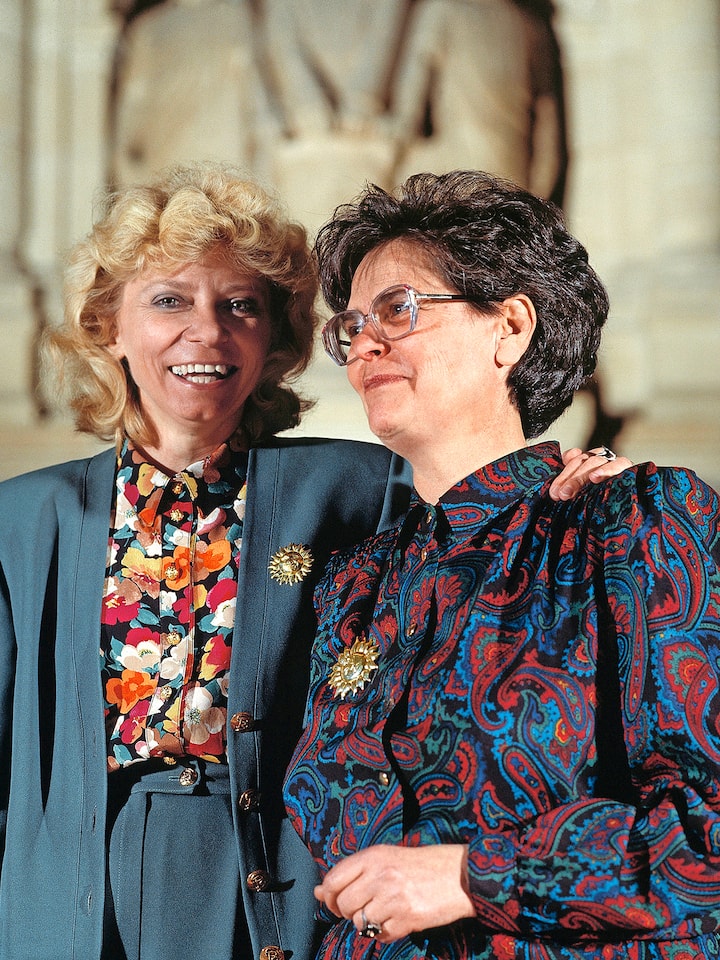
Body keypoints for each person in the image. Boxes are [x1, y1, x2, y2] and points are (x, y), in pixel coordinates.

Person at [0, 162, 624, 960]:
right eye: (168, 301)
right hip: (82, 892)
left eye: (241, 307)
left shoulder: (361, 482)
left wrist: (567, 485)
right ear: (109, 327)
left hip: (285, 881)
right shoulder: (22, 521)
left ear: (275, 340)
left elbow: (474, 530)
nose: (208, 332)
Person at [283, 170, 720, 959]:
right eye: (350, 326)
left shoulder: (629, 522)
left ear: (510, 327)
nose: (365, 342)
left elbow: (708, 832)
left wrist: (468, 877)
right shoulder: (355, 584)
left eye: (398, 308)